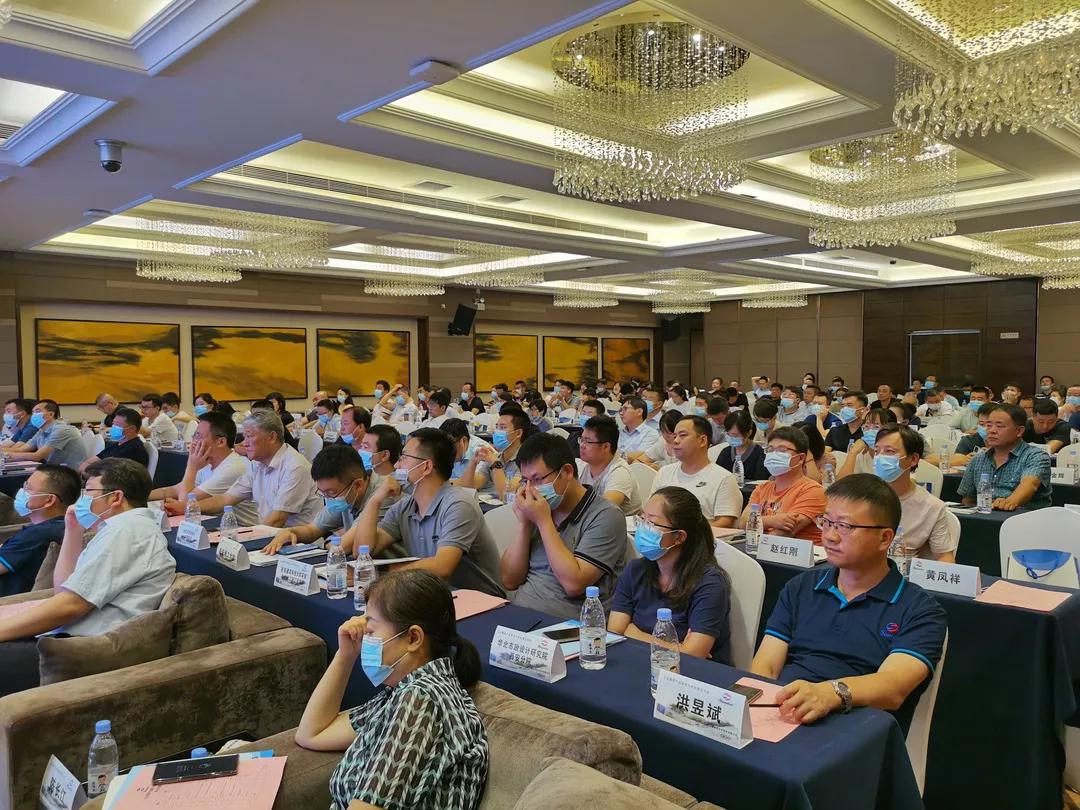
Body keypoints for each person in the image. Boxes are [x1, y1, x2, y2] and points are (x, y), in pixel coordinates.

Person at [750, 474, 947, 733]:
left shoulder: (920, 609)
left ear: (885, 538)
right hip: (784, 712)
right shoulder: (802, 587)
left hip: (854, 728)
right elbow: (766, 665)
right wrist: (758, 711)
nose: (830, 536)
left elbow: (893, 687)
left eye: (844, 526)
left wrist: (829, 693)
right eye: (826, 522)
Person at [296, 570, 488, 810]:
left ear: (413, 638)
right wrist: (345, 655)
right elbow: (311, 734)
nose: (364, 638)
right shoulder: (401, 689)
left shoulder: (421, 699)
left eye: (371, 631)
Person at [0, 458, 176, 697]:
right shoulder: (119, 528)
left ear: (115, 497)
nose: (82, 500)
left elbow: (70, 605)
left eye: (89, 492)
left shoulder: (126, 532)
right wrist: (73, 529)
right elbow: (63, 591)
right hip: (70, 638)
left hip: (78, 648)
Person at [347, 429, 503, 595]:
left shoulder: (458, 504)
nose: (397, 465)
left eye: (404, 457)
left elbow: (442, 567)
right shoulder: (405, 506)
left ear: (426, 467)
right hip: (433, 594)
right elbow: (362, 551)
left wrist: (379, 576)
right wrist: (375, 500)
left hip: (482, 600)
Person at [501, 433, 626, 619]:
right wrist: (524, 524)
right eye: (525, 481)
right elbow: (509, 581)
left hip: (568, 624)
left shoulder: (606, 515)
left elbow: (573, 585)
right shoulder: (537, 509)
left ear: (567, 472)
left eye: (537, 479)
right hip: (521, 613)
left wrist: (543, 522)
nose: (530, 489)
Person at [610, 487, 732, 663]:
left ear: (679, 537)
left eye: (652, 523)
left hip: (690, 674)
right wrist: (677, 647)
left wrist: (633, 632)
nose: (643, 528)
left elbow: (692, 656)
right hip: (639, 661)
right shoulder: (635, 570)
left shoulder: (710, 584)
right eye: (642, 519)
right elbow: (615, 630)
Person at [197, 409, 323, 527]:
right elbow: (226, 498)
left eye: (249, 436)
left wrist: (249, 537)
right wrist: (191, 507)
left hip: (297, 539)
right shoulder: (257, 464)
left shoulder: (295, 467)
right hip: (270, 532)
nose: (245, 443)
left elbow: (278, 519)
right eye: (244, 437)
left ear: (272, 437)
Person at [260, 444, 372, 554]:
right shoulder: (343, 494)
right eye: (323, 492)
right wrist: (290, 532)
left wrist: (326, 543)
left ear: (358, 485)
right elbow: (313, 529)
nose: (328, 498)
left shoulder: (378, 496)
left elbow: (343, 547)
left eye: (331, 492)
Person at [151, 411, 257, 523]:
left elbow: (185, 502)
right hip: (216, 523)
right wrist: (143, 497)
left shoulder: (233, 467)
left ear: (221, 442)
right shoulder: (207, 461)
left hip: (242, 528)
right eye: (194, 436)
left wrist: (191, 466)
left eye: (198, 436)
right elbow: (177, 489)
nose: (193, 442)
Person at [869, 425, 955, 562]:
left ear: (914, 459)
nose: (880, 457)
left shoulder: (932, 507)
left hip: (902, 569)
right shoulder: (861, 496)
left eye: (889, 451)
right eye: (877, 451)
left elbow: (944, 556)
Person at [0, 465, 78, 596]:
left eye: (28, 488)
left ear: (49, 500)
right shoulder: (63, 526)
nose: (21, 492)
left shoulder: (37, 535)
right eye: (24, 485)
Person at [957, 403, 1052, 511]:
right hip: (984, 516)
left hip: (1024, 518)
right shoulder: (978, 460)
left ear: (1019, 431)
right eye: (988, 425)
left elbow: (1030, 484)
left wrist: (1008, 502)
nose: (992, 430)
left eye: (999, 426)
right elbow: (967, 501)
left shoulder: (1035, 457)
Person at [739, 426, 827, 543]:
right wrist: (773, 521)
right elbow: (743, 523)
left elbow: (780, 535)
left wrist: (756, 523)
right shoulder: (762, 488)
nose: (774, 455)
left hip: (794, 552)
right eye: (770, 450)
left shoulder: (813, 490)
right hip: (760, 548)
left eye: (782, 450)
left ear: (801, 458)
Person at [650, 416, 741, 528]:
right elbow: (650, 511)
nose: (675, 441)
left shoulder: (724, 478)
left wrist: (688, 533)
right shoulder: (664, 472)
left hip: (703, 537)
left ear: (702, 440)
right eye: (675, 436)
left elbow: (725, 523)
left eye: (683, 435)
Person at [579, 415, 642, 516]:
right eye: (581, 440)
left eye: (588, 441)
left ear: (606, 446)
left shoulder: (620, 472)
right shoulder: (582, 465)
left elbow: (603, 511)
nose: (582, 445)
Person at [6, 399, 88, 468]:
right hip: (53, 469)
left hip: (68, 474)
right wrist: (4, 453)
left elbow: (37, 456)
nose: (34, 415)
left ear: (51, 414)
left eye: (37, 411)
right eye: (33, 412)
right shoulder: (41, 430)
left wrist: (6, 455)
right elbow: (20, 450)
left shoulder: (61, 430)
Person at [472, 408, 527, 500]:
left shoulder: (526, 460)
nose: (497, 432)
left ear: (518, 433)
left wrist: (495, 462)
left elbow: (506, 494)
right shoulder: (497, 456)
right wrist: (473, 462)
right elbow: (473, 484)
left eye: (502, 428)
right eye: (496, 427)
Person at [357, 424, 404, 520]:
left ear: (384, 455)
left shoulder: (393, 488)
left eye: (365, 447)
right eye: (361, 446)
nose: (360, 451)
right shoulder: (366, 474)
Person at [80, 406, 149, 470]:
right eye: (113, 424)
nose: (113, 428)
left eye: (117, 425)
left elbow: (107, 473)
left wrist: (86, 470)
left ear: (132, 429)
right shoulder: (117, 445)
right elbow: (90, 461)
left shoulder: (134, 450)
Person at [836, 407, 897, 479]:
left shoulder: (895, 455)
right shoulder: (862, 452)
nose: (870, 431)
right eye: (867, 426)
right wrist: (853, 453)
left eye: (876, 427)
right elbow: (842, 482)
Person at [441, 418, 492, 492]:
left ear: (463, 441)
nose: (446, 451)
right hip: (454, 492)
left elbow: (473, 484)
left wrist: (438, 484)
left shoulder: (482, 450)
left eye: (449, 446)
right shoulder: (444, 447)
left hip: (481, 495)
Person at [717, 410, 768, 481]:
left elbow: (761, 482)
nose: (731, 438)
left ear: (749, 433)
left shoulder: (760, 455)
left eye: (735, 435)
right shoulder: (725, 452)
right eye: (728, 434)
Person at [949, 402, 995, 467]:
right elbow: (955, 459)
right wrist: (965, 459)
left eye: (989, 425)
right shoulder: (968, 440)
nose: (985, 428)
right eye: (981, 424)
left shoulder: (1006, 443)